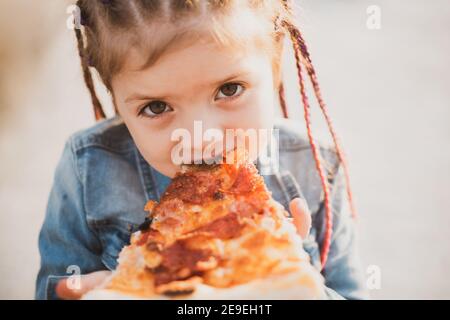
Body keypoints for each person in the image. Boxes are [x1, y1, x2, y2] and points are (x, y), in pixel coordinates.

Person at [36, 0, 368, 300]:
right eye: (156, 107)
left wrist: (288, 278)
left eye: (230, 89)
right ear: (116, 100)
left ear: (275, 65)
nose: (201, 138)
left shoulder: (315, 164)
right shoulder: (86, 167)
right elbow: (59, 289)